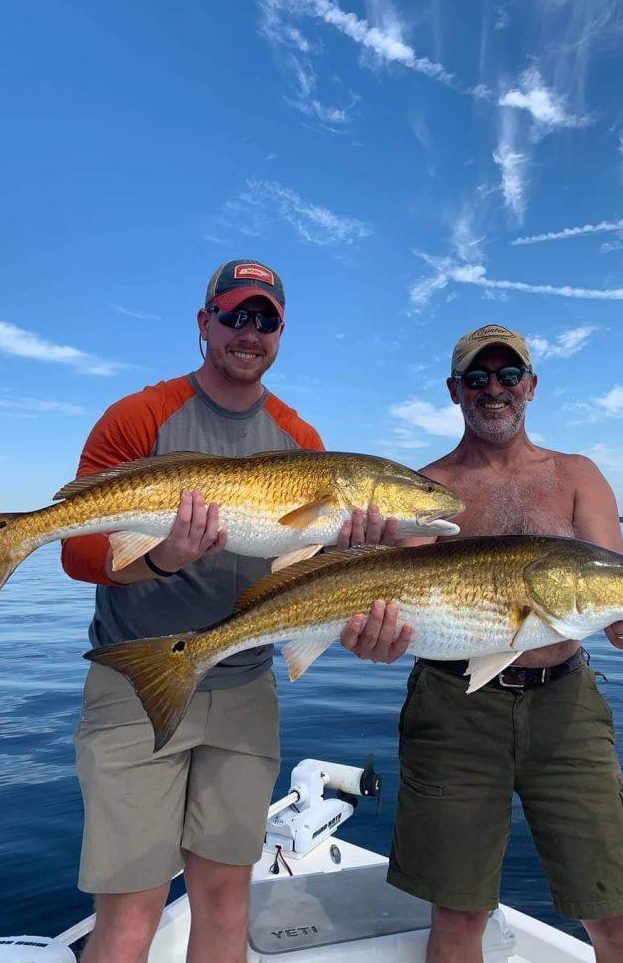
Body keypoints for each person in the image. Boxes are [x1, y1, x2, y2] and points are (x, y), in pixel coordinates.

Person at [61, 259, 399, 963]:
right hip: (133, 685)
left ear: (281, 333)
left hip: (244, 686)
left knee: (227, 900)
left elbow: (306, 577)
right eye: (236, 315)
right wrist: (159, 558)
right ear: (203, 323)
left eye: (266, 319)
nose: (250, 332)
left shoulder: (302, 441)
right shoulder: (140, 416)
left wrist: (352, 566)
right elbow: (76, 551)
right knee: (129, 916)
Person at [341, 323, 623, 963]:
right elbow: (397, 600)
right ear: (454, 391)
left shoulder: (577, 476)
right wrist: (371, 635)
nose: (494, 389)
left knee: (617, 918)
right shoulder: (423, 488)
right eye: (478, 378)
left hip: (567, 710)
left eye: (508, 376)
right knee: (457, 920)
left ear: (531, 386)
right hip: (452, 710)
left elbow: (617, 601)